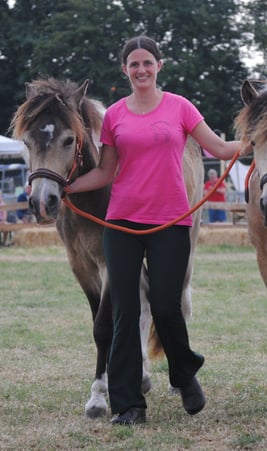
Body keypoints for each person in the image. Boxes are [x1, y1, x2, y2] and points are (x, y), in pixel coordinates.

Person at [65, 36, 245, 426]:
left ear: (159, 66)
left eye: (147, 62)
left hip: (170, 221)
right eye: (134, 64)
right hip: (122, 223)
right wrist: (66, 186)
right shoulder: (114, 115)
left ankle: (184, 372)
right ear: (125, 70)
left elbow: (217, 148)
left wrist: (257, 142)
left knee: (165, 305)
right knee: (124, 312)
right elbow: (105, 172)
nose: (141, 69)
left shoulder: (180, 107)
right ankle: (129, 404)